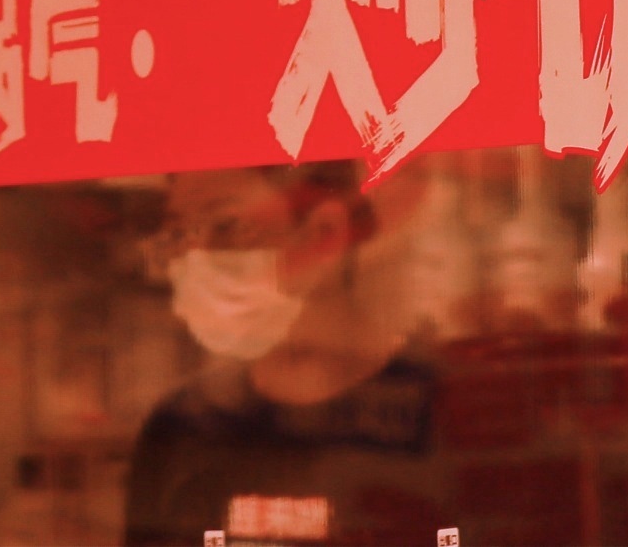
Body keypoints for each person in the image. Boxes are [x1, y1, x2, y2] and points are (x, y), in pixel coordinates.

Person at [123, 161, 447, 547]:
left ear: (324, 233)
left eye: (227, 227)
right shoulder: (180, 432)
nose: (195, 258)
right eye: (178, 234)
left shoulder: (450, 412)